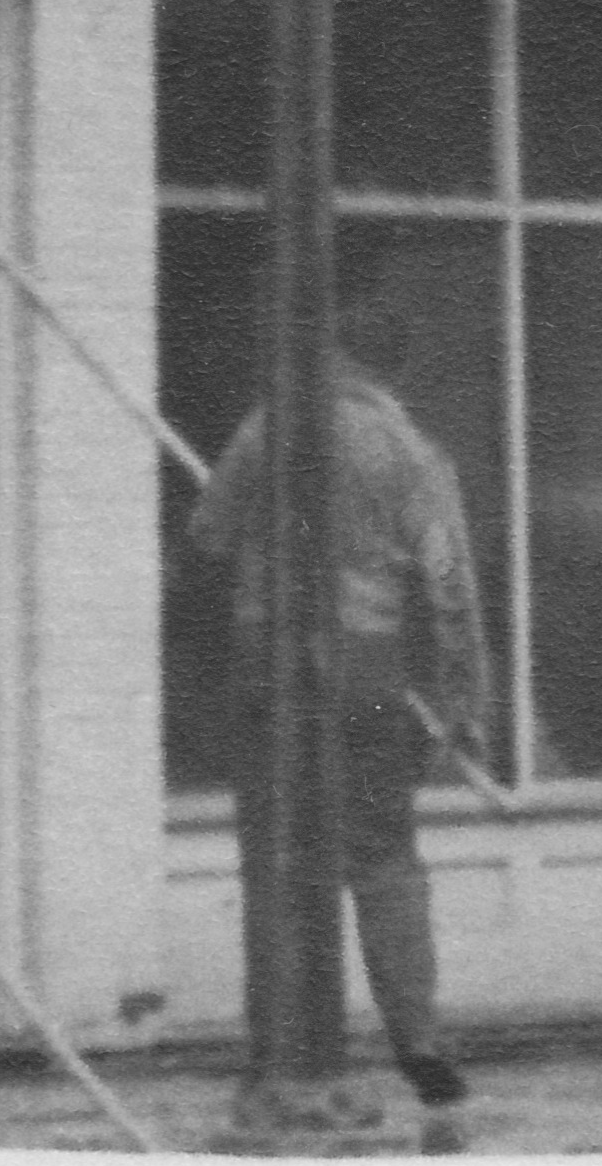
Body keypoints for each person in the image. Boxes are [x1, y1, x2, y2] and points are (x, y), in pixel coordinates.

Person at [186, 263, 494, 1111]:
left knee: (275, 868)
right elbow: (451, 587)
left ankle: (273, 1054)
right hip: (366, 667)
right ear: (397, 369)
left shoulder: (266, 429)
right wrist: (466, 705)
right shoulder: (412, 453)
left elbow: (208, 535)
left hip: (266, 664)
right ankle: (419, 1040)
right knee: (386, 858)